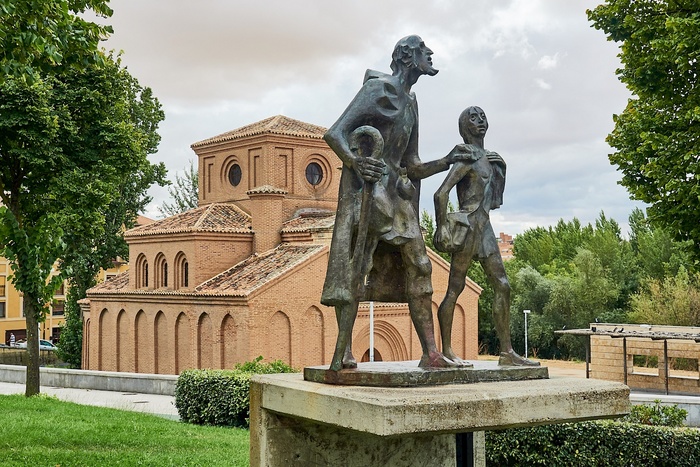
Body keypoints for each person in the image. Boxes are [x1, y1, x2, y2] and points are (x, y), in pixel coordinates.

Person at [322, 35, 470, 371]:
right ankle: (344, 350)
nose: (430, 53)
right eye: (423, 50)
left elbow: (413, 164)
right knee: (357, 270)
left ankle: (431, 353)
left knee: (420, 266)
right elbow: (335, 133)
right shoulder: (379, 90)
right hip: (369, 193)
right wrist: (355, 162)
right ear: (407, 57)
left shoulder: (411, 101)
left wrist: (447, 160)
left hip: (399, 199)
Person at [433, 106, 538, 366]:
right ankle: (446, 350)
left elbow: (493, 198)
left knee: (503, 285)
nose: (480, 121)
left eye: (482, 117)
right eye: (473, 117)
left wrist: (501, 166)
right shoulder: (466, 157)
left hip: (485, 228)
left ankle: (506, 352)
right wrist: (442, 227)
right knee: (454, 290)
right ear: (465, 126)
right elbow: (440, 194)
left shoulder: (488, 157)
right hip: (468, 227)